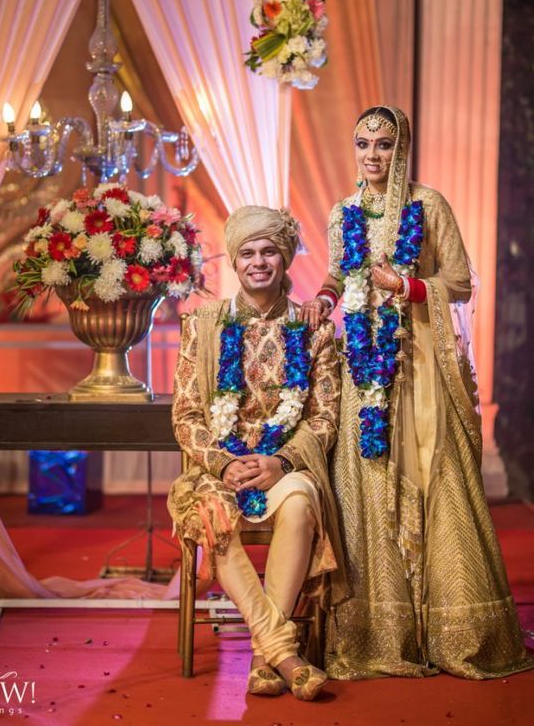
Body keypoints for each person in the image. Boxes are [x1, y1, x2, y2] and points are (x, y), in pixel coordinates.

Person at [301, 105, 532, 679]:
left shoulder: (428, 206)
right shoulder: (343, 212)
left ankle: (453, 629)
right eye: (363, 144)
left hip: (419, 368)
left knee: (436, 478)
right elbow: (337, 271)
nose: (373, 156)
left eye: (384, 145)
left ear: (402, 148)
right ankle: (380, 630)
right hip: (362, 368)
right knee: (365, 483)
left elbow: (458, 282)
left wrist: (403, 284)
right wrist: (325, 300)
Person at [168, 205, 347, 700]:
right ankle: (280, 652)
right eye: (248, 253)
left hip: (285, 460)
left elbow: (324, 419)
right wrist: (225, 461)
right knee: (212, 514)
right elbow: (185, 416)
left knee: (298, 502)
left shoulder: (314, 329)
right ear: (234, 260)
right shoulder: (202, 325)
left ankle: (264, 652)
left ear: (285, 258)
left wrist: (281, 463)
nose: (259, 261)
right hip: (217, 467)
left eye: (269, 251)